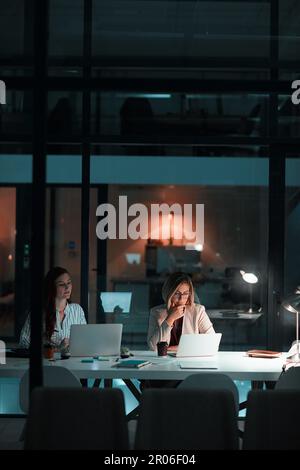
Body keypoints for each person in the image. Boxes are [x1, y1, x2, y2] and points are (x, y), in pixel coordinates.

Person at [19, 266, 86, 349]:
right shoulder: (39, 313)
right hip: (48, 361)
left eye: (69, 283)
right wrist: (54, 349)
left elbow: (84, 341)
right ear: (51, 287)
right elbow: (24, 343)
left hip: (72, 361)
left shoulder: (77, 310)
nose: (67, 287)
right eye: (61, 284)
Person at [147, 272, 215, 352]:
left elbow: (212, 342)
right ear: (168, 293)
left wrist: (174, 348)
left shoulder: (198, 311)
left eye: (186, 293)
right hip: (163, 361)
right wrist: (170, 319)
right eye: (177, 293)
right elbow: (153, 347)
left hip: (188, 360)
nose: (181, 299)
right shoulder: (156, 312)